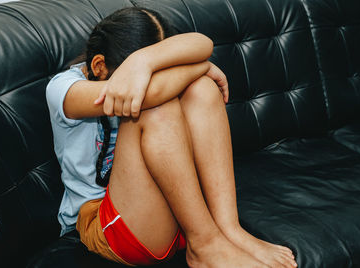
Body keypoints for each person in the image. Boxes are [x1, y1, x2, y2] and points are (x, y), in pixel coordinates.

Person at [46, 7, 297, 268]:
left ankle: (229, 230)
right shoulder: (63, 89)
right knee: (155, 107)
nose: (149, 75)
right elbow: (150, 97)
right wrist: (200, 66)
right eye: (140, 73)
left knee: (202, 89)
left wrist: (143, 62)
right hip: (106, 223)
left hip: (175, 209)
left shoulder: (140, 62)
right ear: (99, 66)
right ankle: (204, 245)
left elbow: (203, 43)